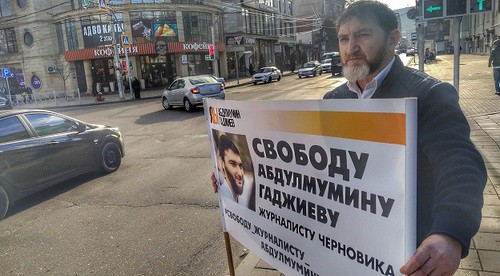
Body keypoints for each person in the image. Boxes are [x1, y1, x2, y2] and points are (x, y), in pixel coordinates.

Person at [323, 1, 486, 275]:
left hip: (408, 255)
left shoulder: (428, 95)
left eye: (363, 35)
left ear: (393, 39)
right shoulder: (333, 100)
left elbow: (460, 165)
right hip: (350, 245)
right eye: (343, 38)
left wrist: (450, 233)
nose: (350, 48)